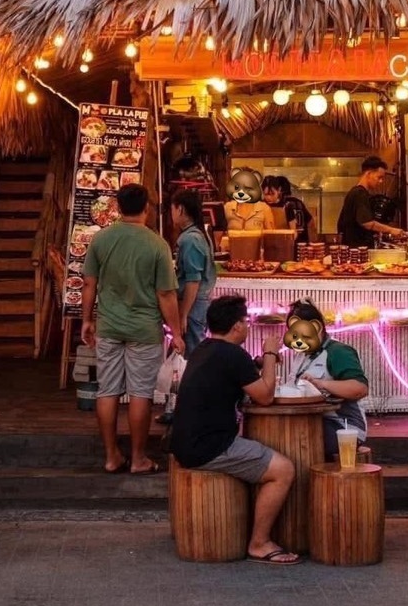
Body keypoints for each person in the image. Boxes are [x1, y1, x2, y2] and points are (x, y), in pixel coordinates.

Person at [170, 295, 301, 565]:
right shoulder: (232, 354)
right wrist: (270, 354)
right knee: (283, 469)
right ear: (237, 326)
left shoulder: (205, 348)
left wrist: (258, 364)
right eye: (246, 321)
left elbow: (236, 374)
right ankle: (260, 543)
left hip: (183, 442)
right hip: (209, 447)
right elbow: (265, 396)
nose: (248, 326)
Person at [81, 183, 184, 475]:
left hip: (109, 327)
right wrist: (176, 332)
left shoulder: (101, 239)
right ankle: (138, 459)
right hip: (144, 329)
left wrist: (87, 320)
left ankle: (112, 456)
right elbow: (166, 294)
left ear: (117, 207)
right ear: (146, 208)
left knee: (107, 391)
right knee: (140, 393)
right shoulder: (157, 244)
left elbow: (88, 283)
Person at [282, 299, 369, 458]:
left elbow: (360, 389)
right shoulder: (301, 355)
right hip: (312, 420)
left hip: (343, 428)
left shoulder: (338, 352)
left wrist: (321, 384)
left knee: (294, 440)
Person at [170, 188, 216, 355]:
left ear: (180, 209)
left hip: (193, 306)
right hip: (197, 305)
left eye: (172, 209)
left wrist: (183, 314)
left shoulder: (190, 239)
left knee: (194, 354)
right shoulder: (198, 234)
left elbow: (193, 281)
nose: (171, 214)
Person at [336, 155, 408, 247]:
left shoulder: (355, 192)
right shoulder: (360, 194)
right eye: (379, 177)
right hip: (358, 249)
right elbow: (367, 223)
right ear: (368, 173)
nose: (381, 181)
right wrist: (391, 230)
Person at [261, 175, 318, 244]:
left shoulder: (288, 206)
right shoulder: (260, 206)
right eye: (266, 194)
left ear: (279, 190)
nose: (269, 198)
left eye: (272, 194)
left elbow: (294, 232)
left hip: (286, 243)